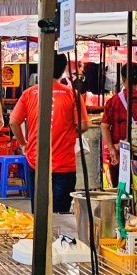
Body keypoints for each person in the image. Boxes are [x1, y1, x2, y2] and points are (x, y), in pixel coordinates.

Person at [9, 52, 80, 213]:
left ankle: (41, 238)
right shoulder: (71, 94)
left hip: (37, 160)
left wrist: (23, 144)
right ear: (63, 70)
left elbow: (13, 122)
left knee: (40, 214)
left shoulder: (30, 93)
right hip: (64, 164)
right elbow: (83, 125)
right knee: (59, 214)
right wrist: (68, 132)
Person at [101, 64, 137, 182]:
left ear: (123, 79)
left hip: (118, 155)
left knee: (120, 191)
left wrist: (112, 148)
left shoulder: (112, 102)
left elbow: (105, 126)